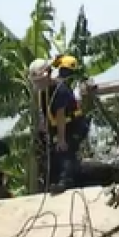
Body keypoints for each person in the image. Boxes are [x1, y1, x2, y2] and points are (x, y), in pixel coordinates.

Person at [31, 55, 90, 194]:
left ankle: (65, 182)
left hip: (74, 127)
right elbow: (46, 115)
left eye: (39, 80)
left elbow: (61, 116)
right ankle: (52, 181)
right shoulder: (44, 91)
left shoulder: (60, 90)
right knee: (53, 154)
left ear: (47, 76)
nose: (38, 84)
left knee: (65, 150)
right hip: (59, 128)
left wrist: (62, 139)